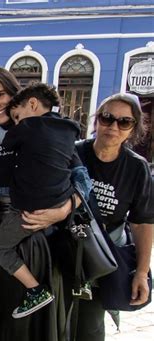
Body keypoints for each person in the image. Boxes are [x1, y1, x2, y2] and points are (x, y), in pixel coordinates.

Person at [0, 67, 90, 341]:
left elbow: (82, 177)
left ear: (17, 95)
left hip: (33, 236)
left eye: (0, 95)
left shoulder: (44, 130)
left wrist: (65, 210)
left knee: (26, 327)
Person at [0, 83, 80, 319]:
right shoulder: (69, 130)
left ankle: (35, 289)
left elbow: (7, 141)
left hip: (29, 209)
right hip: (61, 201)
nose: (17, 122)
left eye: (17, 116)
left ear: (32, 104)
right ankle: (82, 280)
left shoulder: (30, 126)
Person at [74, 93, 153, 341]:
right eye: (107, 118)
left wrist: (140, 273)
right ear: (97, 120)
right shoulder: (74, 154)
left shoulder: (136, 167)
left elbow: (142, 222)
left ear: (133, 129)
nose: (113, 126)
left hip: (103, 258)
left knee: (90, 326)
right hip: (66, 252)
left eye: (124, 122)